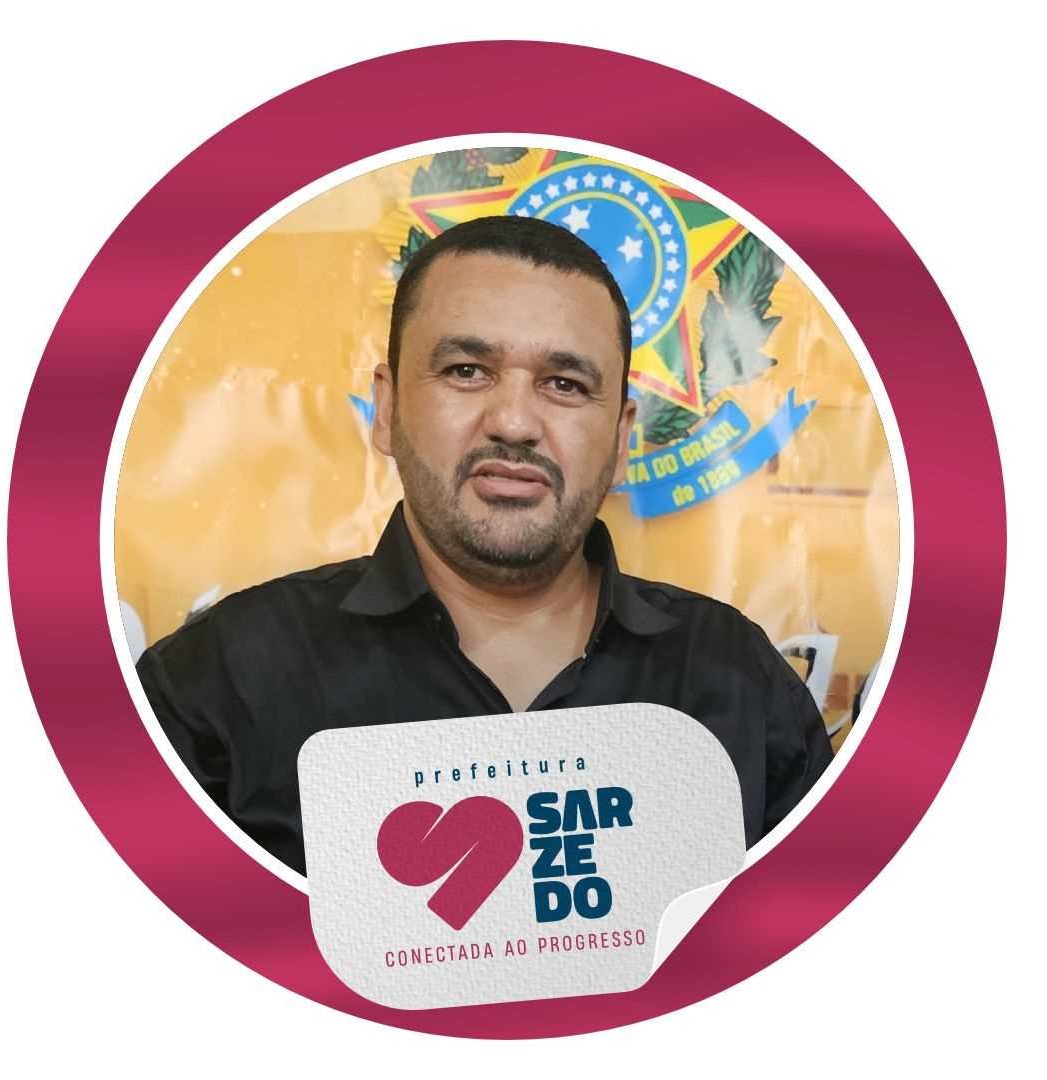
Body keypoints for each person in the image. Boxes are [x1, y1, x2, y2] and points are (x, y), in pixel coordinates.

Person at [136, 215, 833, 875]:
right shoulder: (216, 683)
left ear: (622, 438)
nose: (515, 422)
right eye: (466, 371)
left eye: (564, 384)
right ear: (387, 408)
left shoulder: (739, 680)